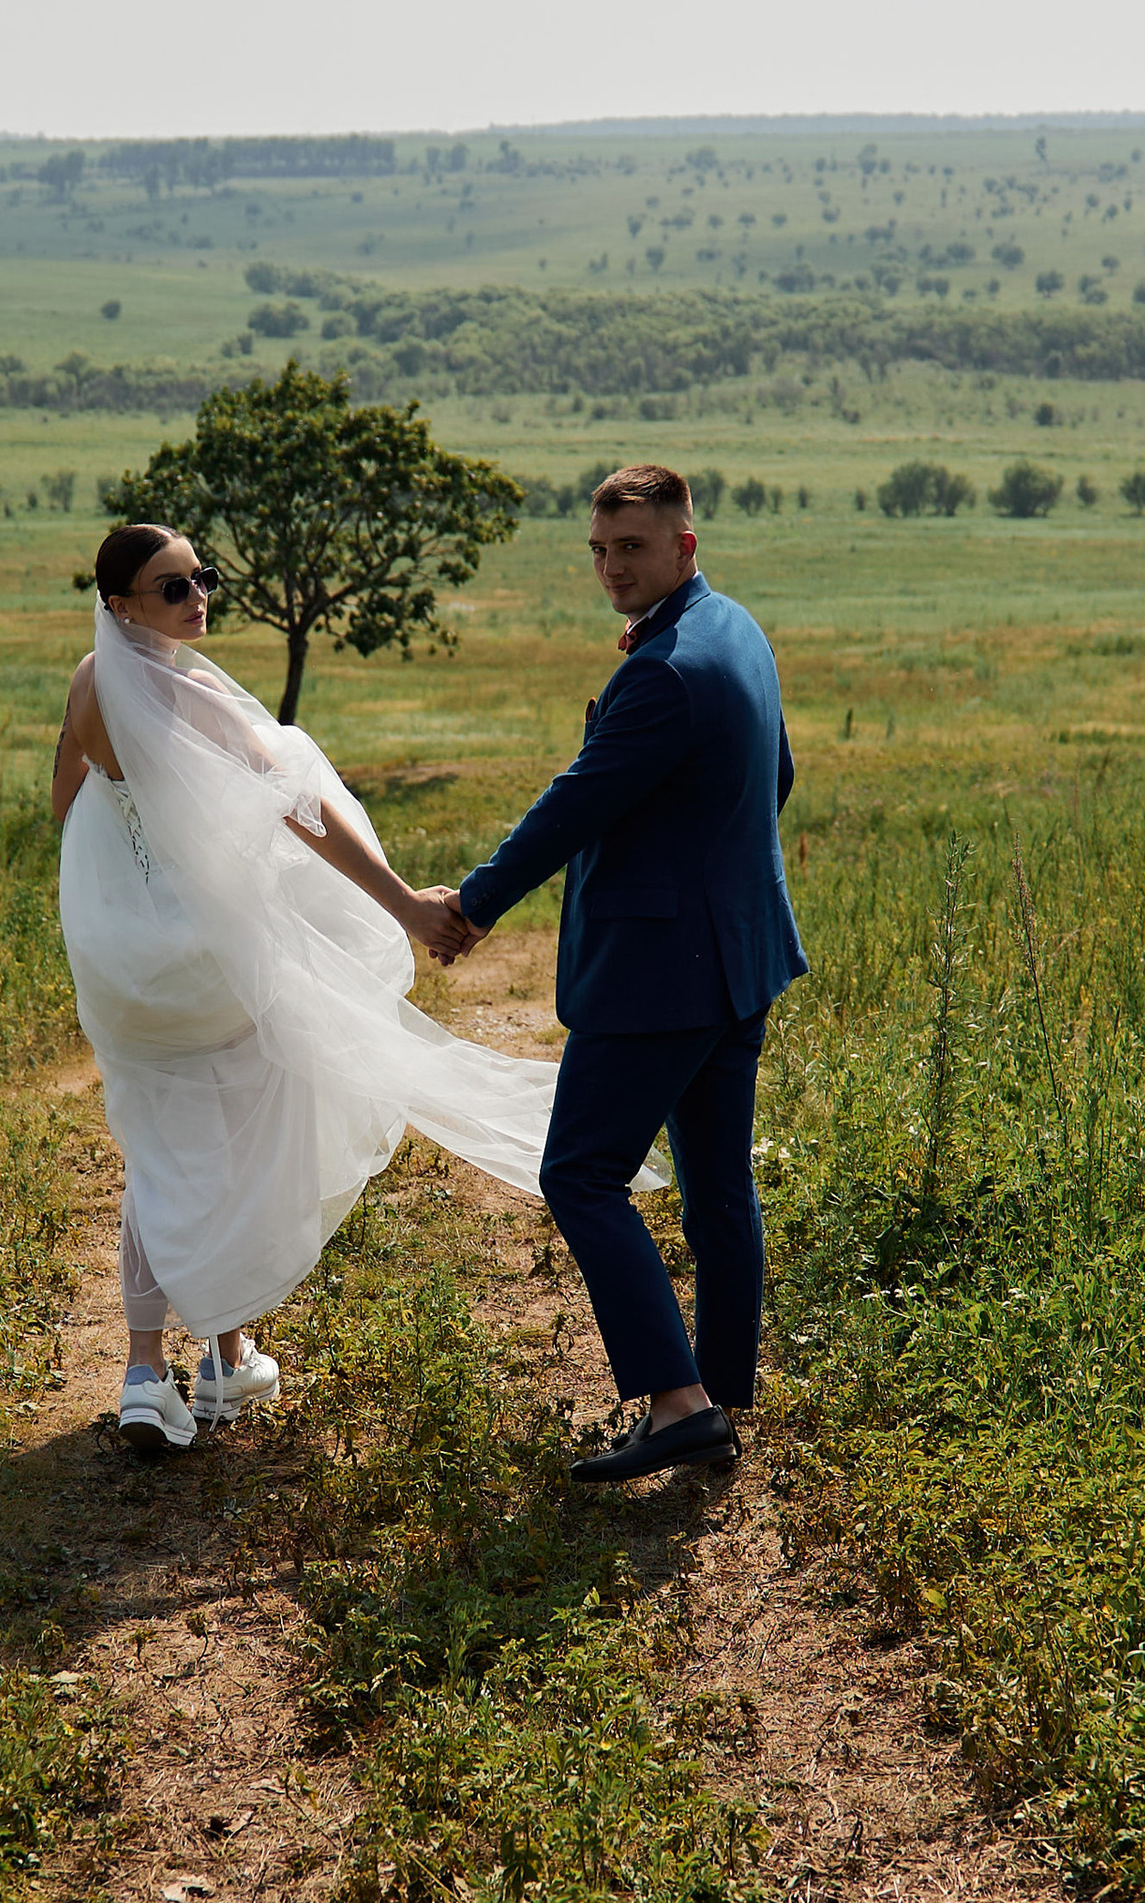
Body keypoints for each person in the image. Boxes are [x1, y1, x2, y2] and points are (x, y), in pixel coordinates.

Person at [53, 520, 596, 1454]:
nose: (198, 599)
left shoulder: (90, 683)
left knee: (161, 1145)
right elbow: (301, 808)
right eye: (172, 589)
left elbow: (68, 804)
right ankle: (215, 1356)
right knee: (242, 1137)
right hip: (208, 965)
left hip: (127, 963)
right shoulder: (196, 698)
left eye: (202, 578)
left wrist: (133, 880)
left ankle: (156, 1370)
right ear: (119, 604)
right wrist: (402, 905)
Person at [428, 465, 803, 1483]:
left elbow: (574, 805)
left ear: (683, 544)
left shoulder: (665, 670)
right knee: (717, 1186)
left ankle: (679, 1406)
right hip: (740, 957)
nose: (610, 569)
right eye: (598, 551)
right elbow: (778, 776)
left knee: (579, 1175)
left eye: (630, 549)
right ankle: (720, 1393)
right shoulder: (737, 630)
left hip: (658, 975)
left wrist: (470, 905)